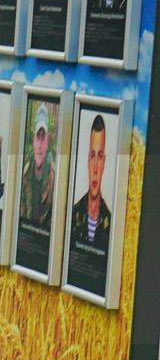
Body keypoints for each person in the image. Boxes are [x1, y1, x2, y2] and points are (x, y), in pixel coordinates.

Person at [67, 115, 113, 295]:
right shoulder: (73, 216)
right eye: (92, 156)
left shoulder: (111, 224)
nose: (95, 167)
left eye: (99, 156)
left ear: (104, 163)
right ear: (87, 161)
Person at [21, 103, 56, 229]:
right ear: (33, 140)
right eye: (37, 137)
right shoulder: (25, 174)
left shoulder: (54, 177)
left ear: (47, 141)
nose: (40, 145)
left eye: (43, 138)